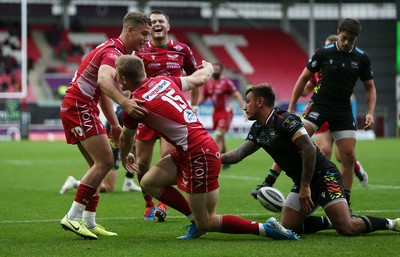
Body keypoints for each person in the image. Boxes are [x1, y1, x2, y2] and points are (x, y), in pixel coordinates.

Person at [117, 55, 299, 240]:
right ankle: (195, 220)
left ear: (124, 78)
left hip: (198, 155)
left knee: (208, 221)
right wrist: (209, 67)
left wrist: (125, 156)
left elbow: (125, 138)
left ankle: (265, 228)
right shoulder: (163, 80)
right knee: (148, 182)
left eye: (117, 75)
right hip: (192, 150)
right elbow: (199, 78)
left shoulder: (134, 106)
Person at [221, 84, 399, 237]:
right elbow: (237, 155)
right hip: (303, 182)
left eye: (248, 101)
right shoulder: (257, 129)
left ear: (260, 102)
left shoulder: (285, 120)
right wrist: (212, 157)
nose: (244, 106)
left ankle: (392, 223)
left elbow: (309, 150)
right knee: (288, 227)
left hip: (323, 176)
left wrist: (305, 186)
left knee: (347, 228)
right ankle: (331, 220)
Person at [59, 12, 151, 240]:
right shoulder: (113, 53)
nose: (146, 40)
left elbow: (101, 91)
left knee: (96, 165)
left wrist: (113, 123)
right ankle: (73, 216)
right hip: (79, 106)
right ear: (130, 30)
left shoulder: (112, 48)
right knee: (106, 161)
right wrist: (125, 102)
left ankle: (89, 222)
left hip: (80, 106)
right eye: (144, 34)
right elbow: (103, 81)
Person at [250, 32, 369, 199]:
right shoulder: (320, 67)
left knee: (343, 155)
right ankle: (271, 181)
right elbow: (306, 89)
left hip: (340, 112)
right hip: (320, 111)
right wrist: (303, 87)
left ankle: (346, 179)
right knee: (312, 147)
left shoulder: (348, 64)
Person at [132, 10, 199, 222]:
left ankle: (163, 204)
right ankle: (149, 204)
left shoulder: (182, 49)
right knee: (142, 164)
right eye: (153, 22)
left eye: (161, 21)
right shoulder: (141, 52)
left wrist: (194, 106)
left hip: (172, 114)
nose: (157, 24)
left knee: (165, 160)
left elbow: (195, 77)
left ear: (168, 26)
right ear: (148, 28)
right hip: (147, 113)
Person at [59, 105, 142, 194]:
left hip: (114, 139)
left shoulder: (129, 107)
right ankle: (75, 183)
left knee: (135, 146)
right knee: (107, 187)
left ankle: (128, 182)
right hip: (111, 141)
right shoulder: (127, 110)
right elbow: (128, 137)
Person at [198, 62, 245, 170]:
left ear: (221, 71)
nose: (215, 71)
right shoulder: (208, 83)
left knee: (218, 135)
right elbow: (203, 97)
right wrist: (193, 106)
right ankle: (227, 159)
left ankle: (214, 162)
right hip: (216, 112)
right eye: (214, 69)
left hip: (226, 112)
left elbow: (237, 94)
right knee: (221, 137)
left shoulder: (226, 82)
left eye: (217, 69)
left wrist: (243, 108)